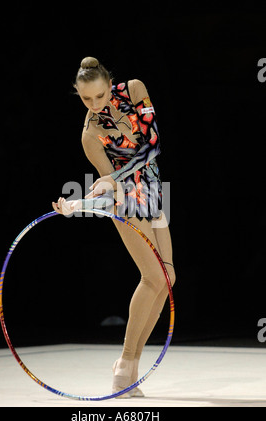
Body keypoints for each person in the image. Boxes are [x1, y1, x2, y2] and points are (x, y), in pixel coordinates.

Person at [52, 57, 176, 398]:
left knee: (168, 279)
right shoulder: (90, 135)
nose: (94, 104)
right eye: (85, 99)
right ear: (77, 94)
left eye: (99, 95)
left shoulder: (135, 90)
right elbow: (108, 189)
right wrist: (77, 205)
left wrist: (110, 179)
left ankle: (132, 366)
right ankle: (124, 362)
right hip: (129, 198)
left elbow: (153, 145)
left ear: (110, 83)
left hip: (154, 189)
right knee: (153, 277)